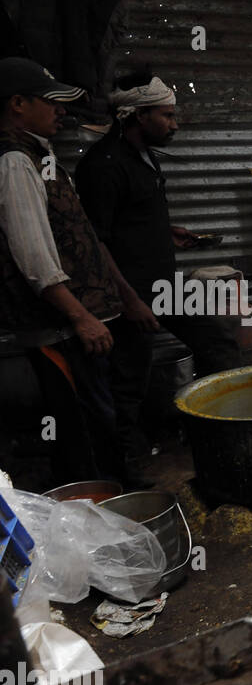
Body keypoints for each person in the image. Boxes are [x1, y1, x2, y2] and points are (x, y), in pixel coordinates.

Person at [0, 57, 157, 486]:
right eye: (51, 102)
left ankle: (113, 501)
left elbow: (78, 234)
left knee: (98, 421)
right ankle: (99, 514)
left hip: (77, 325)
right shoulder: (14, 161)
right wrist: (80, 316)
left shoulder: (39, 154)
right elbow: (33, 257)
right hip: (58, 331)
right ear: (17, 103)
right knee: (84, 432)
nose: (61, 111)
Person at [76, 71, 238, 471]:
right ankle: (127, 468)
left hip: (163, 283)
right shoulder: (103, 166)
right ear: (135, 115)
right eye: (166, 115)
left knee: (218, 343)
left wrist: (169, 232)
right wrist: (131, 301)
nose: (174, 124)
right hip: (128, 292)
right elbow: (97, 240)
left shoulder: (144, 156)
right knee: (129, 379)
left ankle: (213, 429)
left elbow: (130, 217)